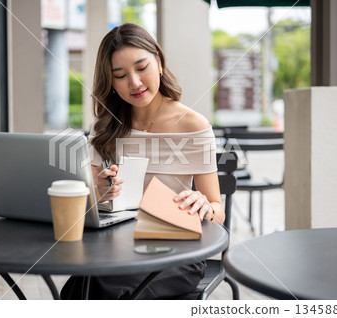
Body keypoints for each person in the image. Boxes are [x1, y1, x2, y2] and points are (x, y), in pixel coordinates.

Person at [60, 23, 224, 300]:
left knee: (104, 290)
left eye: (141, 67)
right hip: (117, 247)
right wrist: (99, 193)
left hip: (177, 250)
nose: (134, 82)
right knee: (80, 287)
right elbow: (87, 202)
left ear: (158, 63)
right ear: (110, 82)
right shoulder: (105, 127)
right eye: (120, 75)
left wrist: (205, 206)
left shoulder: (193, 125)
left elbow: (218, 213)